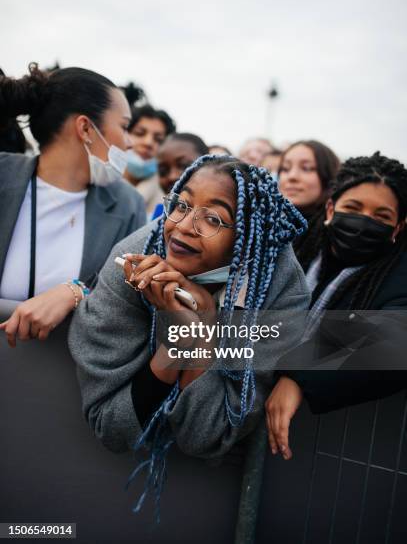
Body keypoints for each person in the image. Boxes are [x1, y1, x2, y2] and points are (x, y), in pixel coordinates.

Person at [68, 154, 310, 513]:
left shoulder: (278, 289)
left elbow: (207, 434)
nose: (182, 227)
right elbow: (111, 425)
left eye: (213, 218)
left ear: (245, 237)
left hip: (213, 503)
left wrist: (208, 322)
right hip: (106, 491)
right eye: (181, 205)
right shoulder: (136, 258)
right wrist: (181, 334)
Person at [266, 152, 407, 460]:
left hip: (323, 452)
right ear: (331, 209)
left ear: (398, 228)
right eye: (353, 208)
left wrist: (299, 373)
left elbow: (397, 339)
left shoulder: (400, 273)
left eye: (381, 216)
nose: (363, 222)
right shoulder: (293, 243)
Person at [0, 63, 146, 346]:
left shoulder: (128, 205)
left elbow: (129, 302)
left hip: (65, 380)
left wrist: (76, 292)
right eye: (125, 127)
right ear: (86, 128)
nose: (129, 143)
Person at [124, 104, 176, 215]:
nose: (148, 143)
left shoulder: (168, 206)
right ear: (124, 133)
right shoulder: (99, 183)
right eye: (139, 133)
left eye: (158, 139)